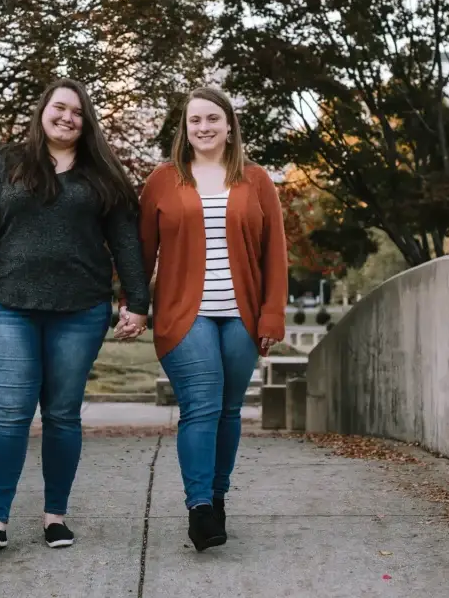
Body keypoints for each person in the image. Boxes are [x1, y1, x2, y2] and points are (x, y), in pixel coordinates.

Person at [0, 77, 150, 552]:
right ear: (43, 110)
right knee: (9, 415)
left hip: (80, 311)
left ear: (87, 123)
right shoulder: (5, 163)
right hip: (7, 307)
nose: (67, 117)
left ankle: (54, 518)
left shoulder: (101, 175)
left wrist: (138, 302)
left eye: (78, 112)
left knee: (62, 415)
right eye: (60, 107)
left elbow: (126, 240)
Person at [131, 85, 288, 551]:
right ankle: (199, 507)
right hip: (185, 315)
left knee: (229, 411)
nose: (204, 127)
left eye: (213, 119)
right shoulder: (163, 179)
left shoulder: (256, 179)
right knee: (201, 406)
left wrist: (271, 315)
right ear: (185, 128)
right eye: (195, 120)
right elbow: (141, 251)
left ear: (229, 126)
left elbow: (274, 253)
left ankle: (217, 499)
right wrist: (134, 304)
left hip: (241, 315)